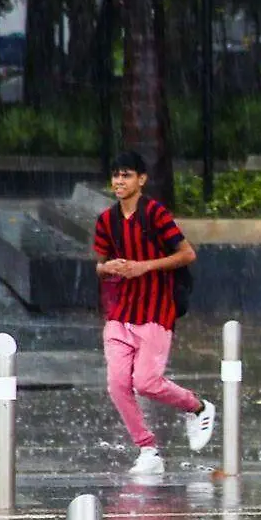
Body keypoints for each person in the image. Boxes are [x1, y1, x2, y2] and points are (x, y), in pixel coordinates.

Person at [93, 150, 215, 475]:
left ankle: (198, 406)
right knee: (118, 384)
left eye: (127, 175)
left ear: (141, 180)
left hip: (156, 311)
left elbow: (187, 254)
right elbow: (100, 267)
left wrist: (144, 267)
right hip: (120, 314)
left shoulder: (156, 215)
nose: (119, 181)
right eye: (116, 175)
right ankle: (147, 449)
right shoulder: (106, 220)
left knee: (146, 382)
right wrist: (109, 267)